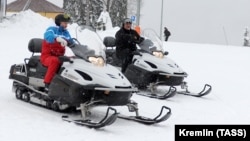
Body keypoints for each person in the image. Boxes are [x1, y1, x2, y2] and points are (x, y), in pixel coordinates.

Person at [40, 13, 74, 92]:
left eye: (67, 23)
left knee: (72, 61)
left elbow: (71, 41)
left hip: (61, 56)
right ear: (59, 22)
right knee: (55, 61)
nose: (66, 25)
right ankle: (47, 84)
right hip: (47, 56)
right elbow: (47, 37)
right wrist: (56, 38)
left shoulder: (66, 33)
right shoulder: (51, 29)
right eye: (65, 23)